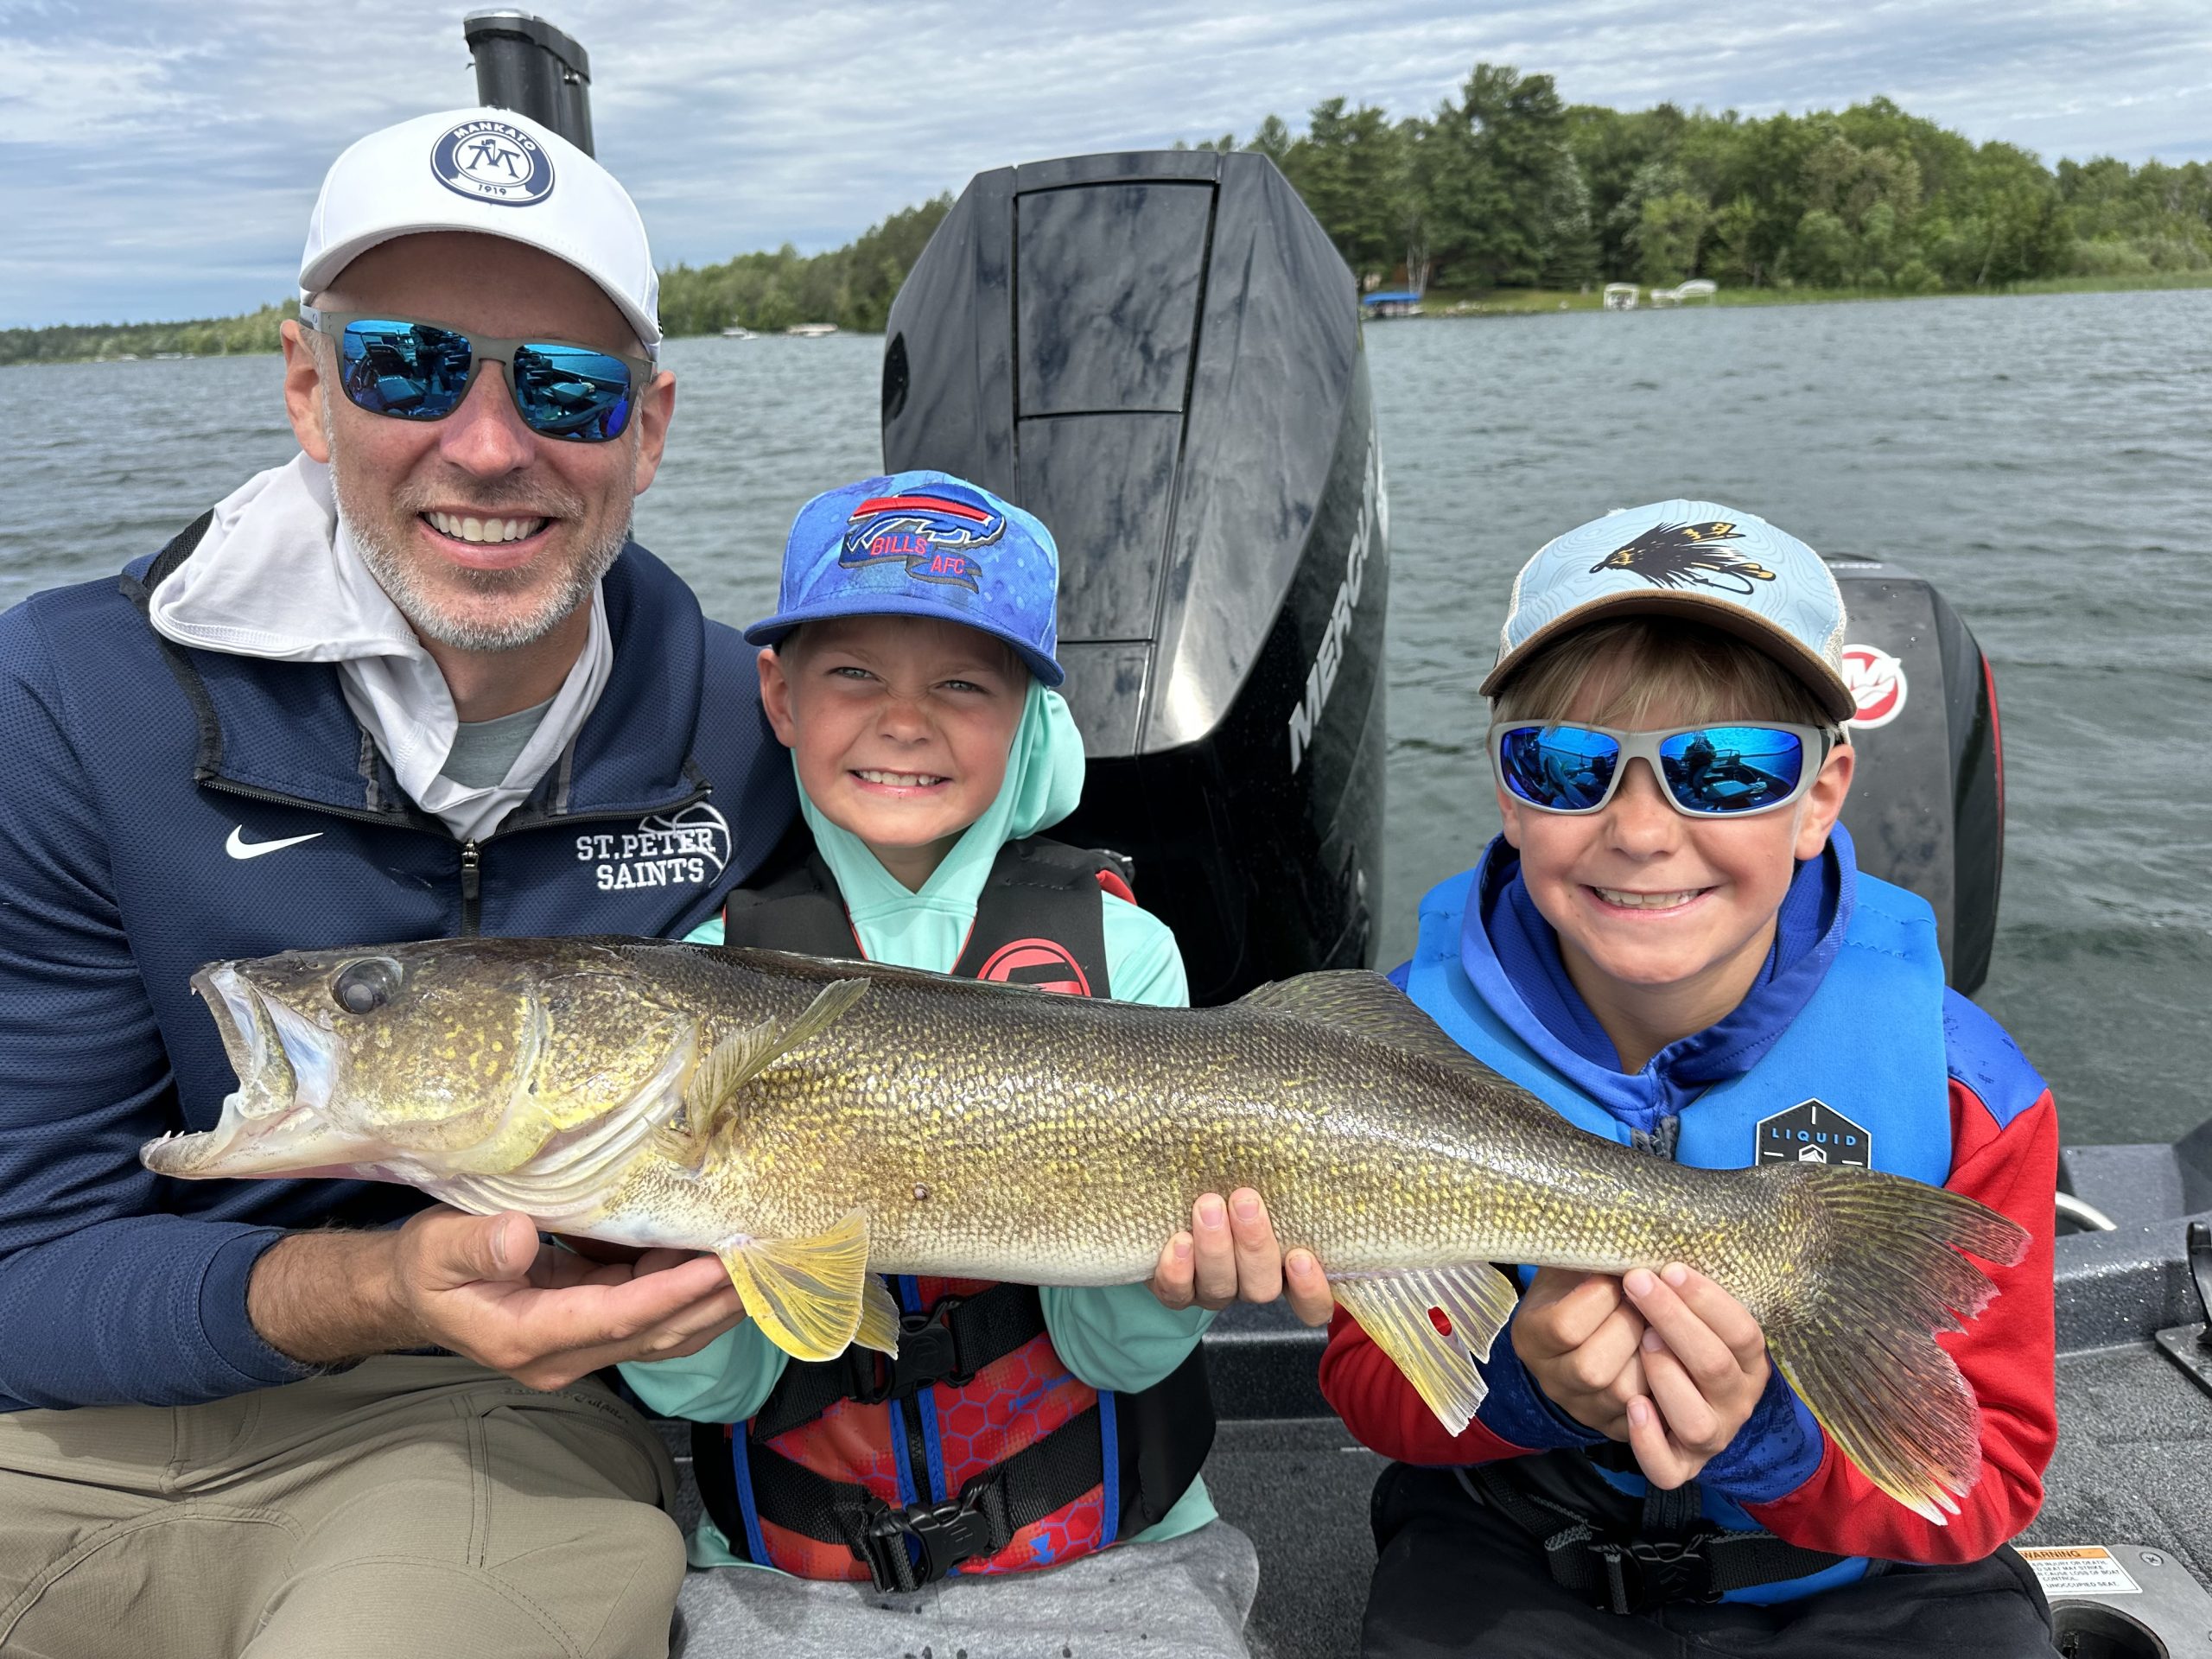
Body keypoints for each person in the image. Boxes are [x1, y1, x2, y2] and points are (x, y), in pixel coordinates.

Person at [0, 108, 799, 1659]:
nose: (491, 447)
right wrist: (380, 1282)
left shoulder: (749, 720)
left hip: (492, 1427)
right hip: (57, 1414)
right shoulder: (60, 702)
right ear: (310, 386)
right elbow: (20, 1254)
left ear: (649, 426)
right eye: (410, 367)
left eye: (567, 385)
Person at [1319, 501, 2059, 1656]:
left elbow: (1987, 1479)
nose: (1642, 829)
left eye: (1723, 769)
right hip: (1517, 1551)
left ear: (1821, 795)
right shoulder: (1395, 1053)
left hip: (1856, 1578)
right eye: (1569, 765)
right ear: (1511, 791)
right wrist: (1525, 1387)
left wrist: (1764, 1433)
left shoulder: (1970, 1094)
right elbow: (1369, 1381)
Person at [622, 472, 1331, 1659]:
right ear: (778, 695)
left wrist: (1179, 1288)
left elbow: (1110, 1355)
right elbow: (720, 1393)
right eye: (853, 673)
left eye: (963, 683)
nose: (906, 719)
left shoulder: (1126, 953)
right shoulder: (705, 978)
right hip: (783, 1577)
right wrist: (637, 1266)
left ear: (1036, 715)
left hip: (1113, 1554)